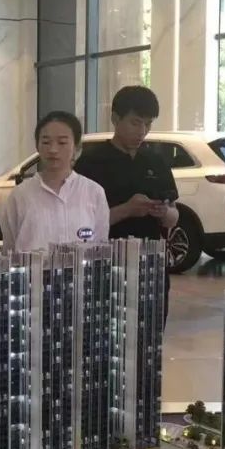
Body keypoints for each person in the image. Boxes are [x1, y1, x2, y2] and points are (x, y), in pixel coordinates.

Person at [74, 86, 179, 315]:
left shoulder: (156, 161)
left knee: (151, 328)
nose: (142, 131)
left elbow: (173, 217)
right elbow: (81, 226)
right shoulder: (90, 164)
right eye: (135, 123)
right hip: (105, 264)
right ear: (115, 119)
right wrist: (126, 210)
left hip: (150, 263)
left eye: (148, 124)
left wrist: (164, 213)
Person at [0, 111, 109, 252]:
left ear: (76, 147)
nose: (53, 149)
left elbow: (100, 247)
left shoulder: (94, 192)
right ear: (37, 146)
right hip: (31, 267)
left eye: (62, 142)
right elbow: (9, 248)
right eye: (46, 142)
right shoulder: (20, 195)